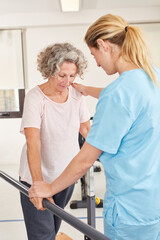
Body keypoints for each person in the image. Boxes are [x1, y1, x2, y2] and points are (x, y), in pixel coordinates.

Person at [29, 14, 160, 240]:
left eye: (94, 55)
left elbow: (85, 159)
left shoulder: (116, 94)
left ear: (103, 44)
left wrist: (49, 188)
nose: (97, 63)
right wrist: (89, 90)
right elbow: (130, 100)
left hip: (128, 208)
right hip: (153, 202)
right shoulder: (153, 76)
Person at [19, 42, 90, 240]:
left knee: (51, 229)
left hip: (65, 178)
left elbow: (85, 129)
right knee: (42, 235)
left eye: (72, 75)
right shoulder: (35, 97)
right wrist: (38, 184)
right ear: (50, 71)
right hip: (37, 177)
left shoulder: (76, 95)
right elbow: (33, 142)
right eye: (62, 75)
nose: (67, 81)